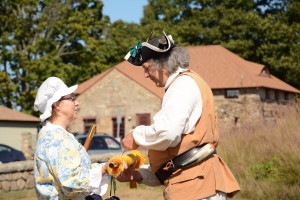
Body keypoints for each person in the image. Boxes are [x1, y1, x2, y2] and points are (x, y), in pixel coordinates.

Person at [119, 31, 240, 199]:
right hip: (196, 183)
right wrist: (138, 176)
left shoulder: (181, 85)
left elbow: (167, 134)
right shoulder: (186, 83)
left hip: (197, 187)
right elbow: (178, 161)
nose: (145, 75)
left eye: (147, 68)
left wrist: (136, 135)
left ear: (162, 64)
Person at [33, 77, 108, 200]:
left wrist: (106, 167)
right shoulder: (54, 139)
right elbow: (69, 182)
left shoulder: (59, 135)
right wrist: (103, 170)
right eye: (72, 98)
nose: (77, 102)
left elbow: (78, 170)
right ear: (57, 104)